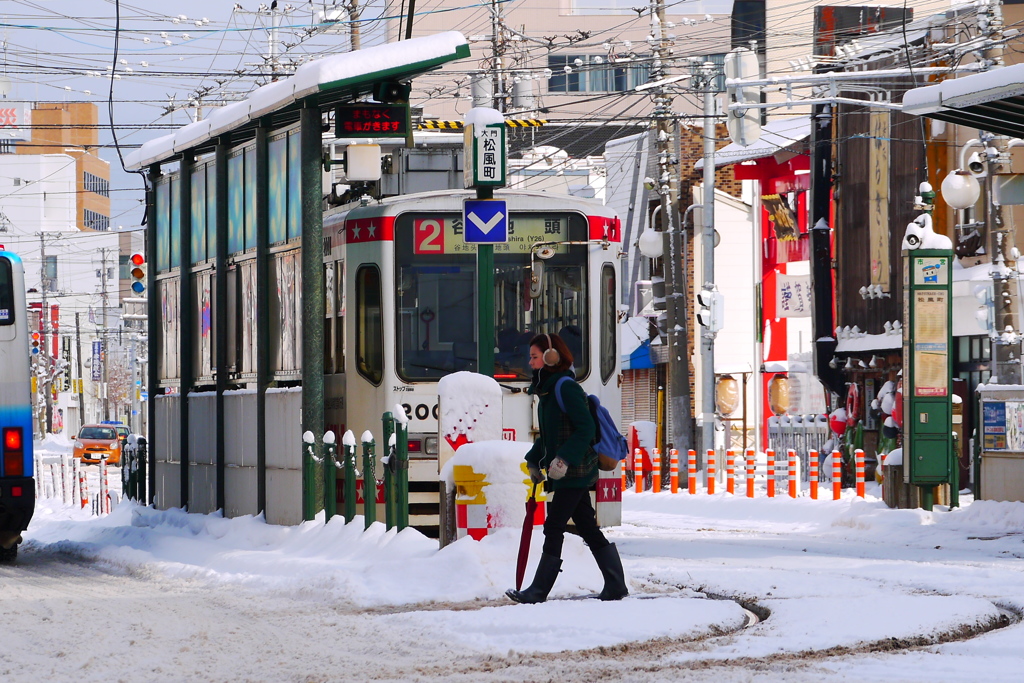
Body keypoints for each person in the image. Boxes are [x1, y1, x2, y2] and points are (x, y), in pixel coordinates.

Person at [505, 332, 628, 603]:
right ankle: (616, 585)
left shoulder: (565, 387)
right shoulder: (548, 389)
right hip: (567, 471)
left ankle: (538, 591)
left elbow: (585, 428)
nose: (530, 361)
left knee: (554, 526)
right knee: (586, 526)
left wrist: (564, 459)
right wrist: (534, 461)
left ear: (551, 357)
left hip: (576, 471)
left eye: (535, 356)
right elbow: (549, 436)